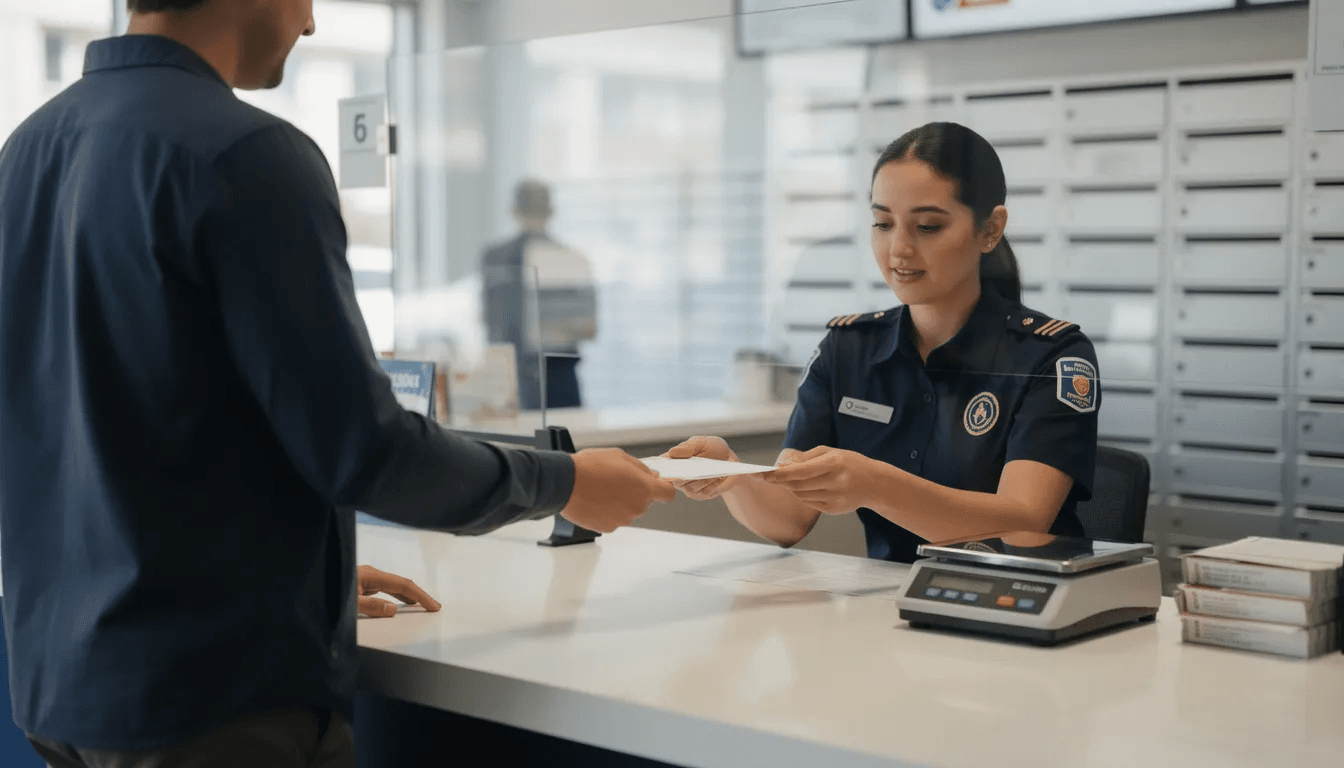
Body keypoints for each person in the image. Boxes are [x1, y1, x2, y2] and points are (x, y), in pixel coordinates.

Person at [0, 2, 674, 766]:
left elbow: (113, 424)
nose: (311, 24)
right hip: (204, 704)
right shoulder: (245, 153)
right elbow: (368, 452)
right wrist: (564, 482)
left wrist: (298, 581)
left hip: (60, 688)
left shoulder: (28, 149)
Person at [668, 122, 1100, 564]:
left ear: (990, 229)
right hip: (890, 599)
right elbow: (790, 519)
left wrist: (876, 485)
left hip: (1014, 596)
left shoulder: (1051, 356)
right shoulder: (847, 350)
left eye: (927, 226)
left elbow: (1023, 526)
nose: (899, 249)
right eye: (883, 223)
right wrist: (732, 474)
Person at [481, 179, 597, 410]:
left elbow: (488, 320)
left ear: (514, 211)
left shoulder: (494, 257)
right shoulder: (569, 258)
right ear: (552, 211)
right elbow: (586, 327)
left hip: (518, 374)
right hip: (549, 373)